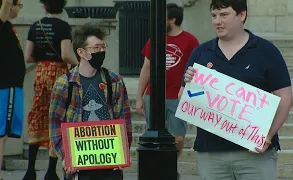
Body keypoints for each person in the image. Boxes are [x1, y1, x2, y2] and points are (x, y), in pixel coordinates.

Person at [180, 0, 293, 180]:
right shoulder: (201, 52)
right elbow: (183, 98)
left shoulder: (266, 51)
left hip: (255, 153)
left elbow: (285, 97)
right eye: (214, 15)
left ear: (242, 15)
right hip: (211, 154)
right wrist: (188, 85)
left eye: (224, 15)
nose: (217, 21)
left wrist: (268, 135)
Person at [48, 24, 132, 180]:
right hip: (79, 165)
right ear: (81, 52)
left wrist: (123, 153)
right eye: (96, 48)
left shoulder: (114, 81)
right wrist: (67, 158)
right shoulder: (64, 84)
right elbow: (55, 125)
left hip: (110, 163)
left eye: (103, 47)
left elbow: (124, 120)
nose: (102, 51)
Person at [135, 2, 199, 161]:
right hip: (153, 96)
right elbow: (146, 68)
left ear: (172, 19)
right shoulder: (154, 39)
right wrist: (139, 97)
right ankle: (158, 167)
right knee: (154, 135)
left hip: (177, 97)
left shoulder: (190, 41)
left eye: (161, 18)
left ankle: (171, 165)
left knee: (177, 138)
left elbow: (198, 71)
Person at [23, 0, 78, 179]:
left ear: (44, 6)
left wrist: (42, 60)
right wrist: (78, 63)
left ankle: (30, 170)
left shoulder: (35, 26)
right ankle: (50, 170)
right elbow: (65, 54)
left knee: (38, 113)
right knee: (57, 117)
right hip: (58, 74)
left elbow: (28, 56)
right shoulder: (63, 26)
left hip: (40, 73)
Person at [0, 0, 25, 179]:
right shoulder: (1, 25)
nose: (19, 8)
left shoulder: (7, 27)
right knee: (1, 134)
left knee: (3, 134)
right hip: (6, 88)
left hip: (10, 88)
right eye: (19, 4)